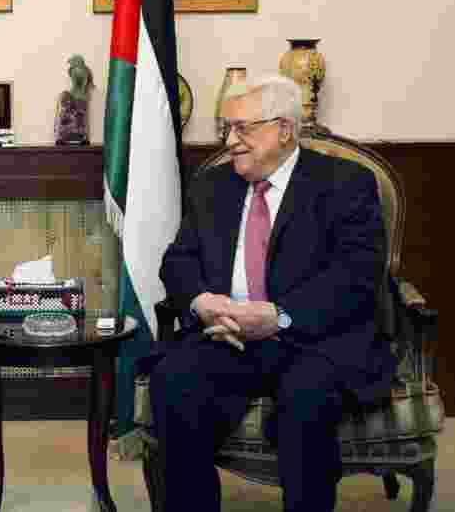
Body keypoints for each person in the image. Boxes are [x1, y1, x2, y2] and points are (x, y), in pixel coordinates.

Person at [148, 74, 395, 512]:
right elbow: (179, 259)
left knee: (307, 400)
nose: (231, 140)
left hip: (312, 339)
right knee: (175, 382)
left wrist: (280, 316)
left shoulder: (345, 183)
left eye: (244, 128)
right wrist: (202, 303)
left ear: (284, 129)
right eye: (226, 128)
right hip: (229, 335)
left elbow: (356, 276)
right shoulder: (213, 186)